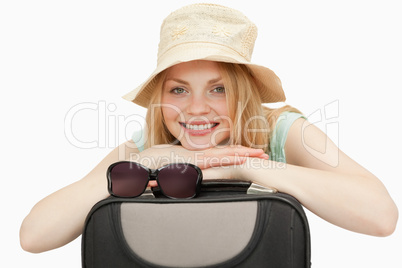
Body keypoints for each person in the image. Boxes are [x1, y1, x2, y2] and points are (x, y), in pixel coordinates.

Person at [20, 3, 398, 253]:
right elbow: (34, 237)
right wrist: (156, 158)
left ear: (242, 92)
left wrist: (243, 166)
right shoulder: (146, 145)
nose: (197, 108)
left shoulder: (281, 129)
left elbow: (382, 217)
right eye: (179, 90)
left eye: (218, 89)